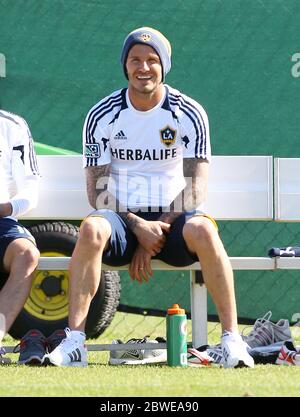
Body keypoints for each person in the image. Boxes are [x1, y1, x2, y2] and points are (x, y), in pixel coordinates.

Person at [44, 27, 254, 368]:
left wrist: (157, 229)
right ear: (125, 65)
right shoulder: (103, 114)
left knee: (205, 231)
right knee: (91, 229)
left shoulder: (188, 112)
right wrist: (138, 226)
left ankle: (232, 342)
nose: (144, 68)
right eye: (135, 60)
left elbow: (196, 187)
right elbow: (97, 191)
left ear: (164, 66)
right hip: (123, 222)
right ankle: (74, 344)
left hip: (173, 221)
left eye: (152, 60)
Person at [0, 110, 40, 364]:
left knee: (26, 254)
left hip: (1, 220)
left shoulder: (12, 125)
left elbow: (31, 185)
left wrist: (8, 208)